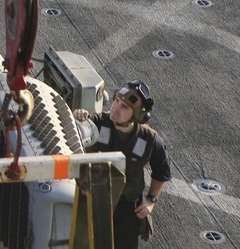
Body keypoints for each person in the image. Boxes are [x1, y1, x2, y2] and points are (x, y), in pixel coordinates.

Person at [73, 80, 171, 249]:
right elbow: (82, 122)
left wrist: (150, 200)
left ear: (137, 116)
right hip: (93, 200)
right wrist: (78, 115)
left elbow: (162, 170)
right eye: (116, 101)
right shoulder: (99, 123)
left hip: (126, 208)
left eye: (124, 107)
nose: (115, 107)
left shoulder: (148, 139)